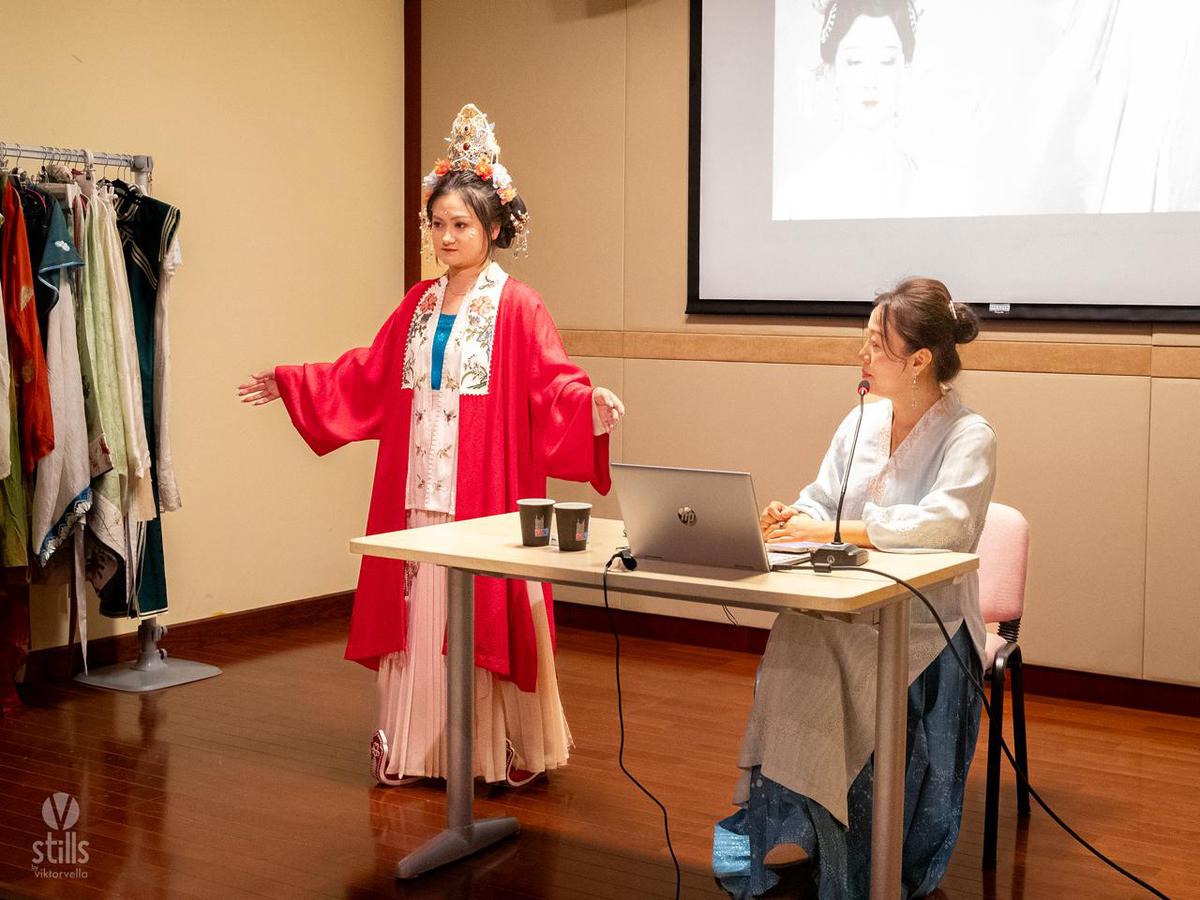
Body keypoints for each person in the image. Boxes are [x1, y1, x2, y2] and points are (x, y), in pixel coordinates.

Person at [238, 104, 624, 788]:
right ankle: (420, 748)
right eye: (438, 223)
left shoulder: (518, 305)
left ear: (494, 229)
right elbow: (369, 372)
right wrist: (297, 381)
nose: (446, 236)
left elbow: (551, 381)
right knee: (421, 603)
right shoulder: (418, 303)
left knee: (483, 602)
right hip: (418, 485)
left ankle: (494, 749)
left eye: (461, 225)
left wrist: (588, 404)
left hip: (483, 486)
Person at [713, 278, 996, 898]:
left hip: (927, 620)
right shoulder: (861, 420)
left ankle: (868, 851)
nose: (860, 354)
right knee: (797, 633)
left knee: (840, 654)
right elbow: (824, 498)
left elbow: (946, 526)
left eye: (876, 344)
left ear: (919, 360)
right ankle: (825, 832)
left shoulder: (969, 435)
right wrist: (795, 515)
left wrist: (832, 528)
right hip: (849, 602)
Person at [775, 0, 920, 220]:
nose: (871, 80)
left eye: (886, 61)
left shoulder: (932, 191)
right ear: (832, 71)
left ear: (905, 71)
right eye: (855, 61)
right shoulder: (795, 199)